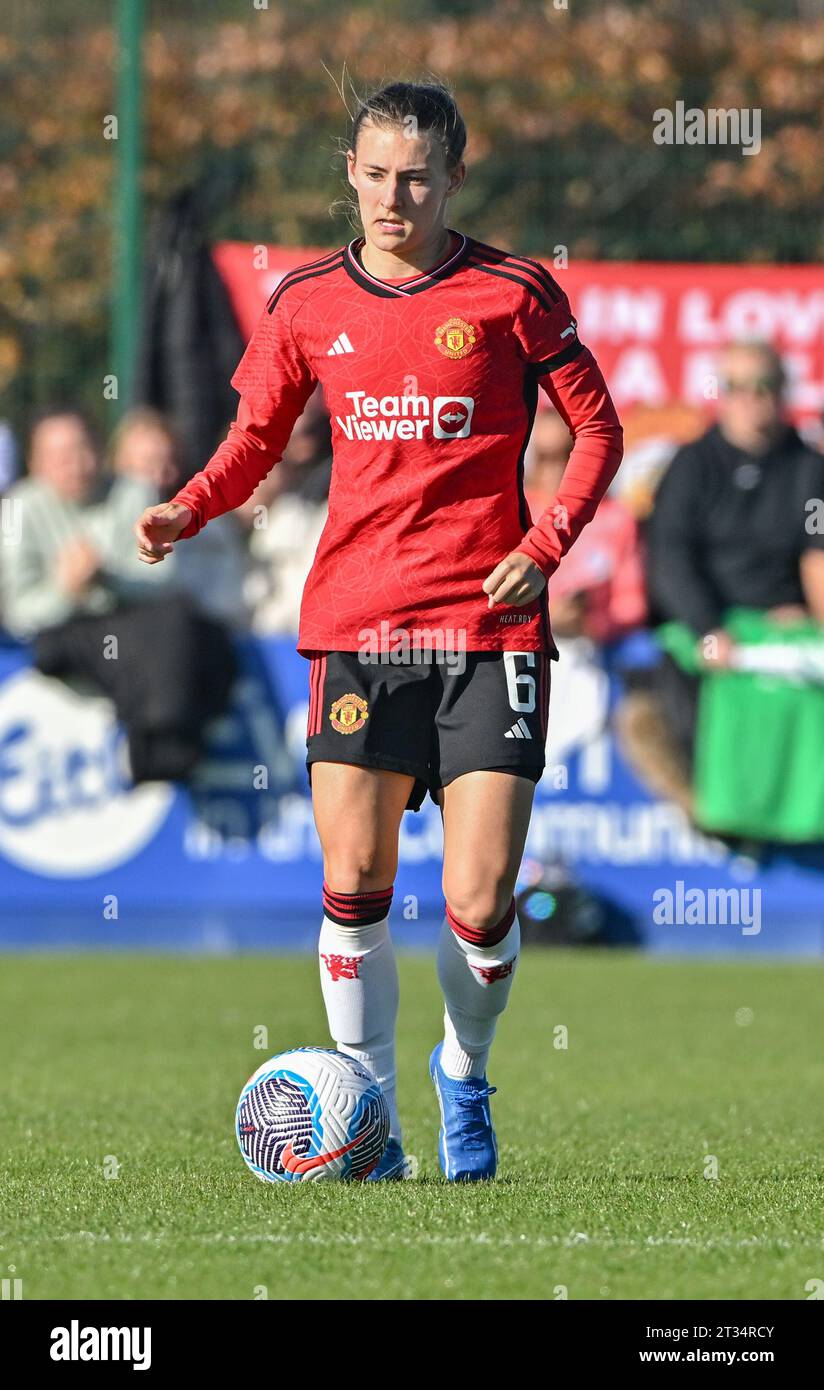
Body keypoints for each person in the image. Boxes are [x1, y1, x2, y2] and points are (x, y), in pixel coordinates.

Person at [133, 82, 623, 1181]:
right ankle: (375, 1118)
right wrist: (189, 505)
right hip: (357, 623)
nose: (394, 194)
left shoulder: (510, 291)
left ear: (453, 176)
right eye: (375, 173)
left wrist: (542, 549)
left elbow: (596, 428)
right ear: (348, 175)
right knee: (353, 876)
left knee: (478, 898)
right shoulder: (306, 300)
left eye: (417, 175)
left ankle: (464, 1071)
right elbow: (255, 437)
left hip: (489, 632)